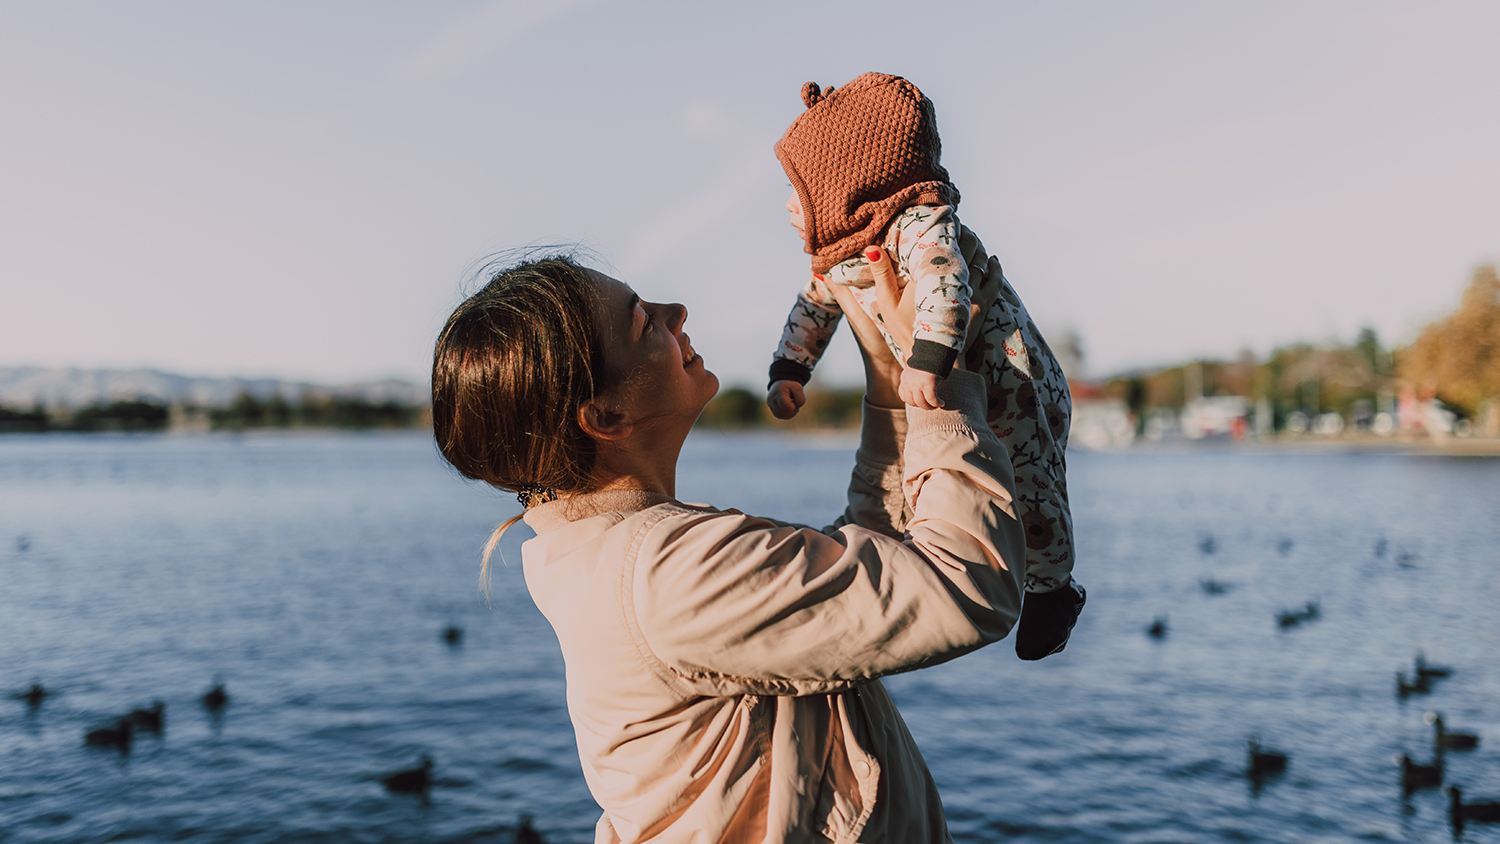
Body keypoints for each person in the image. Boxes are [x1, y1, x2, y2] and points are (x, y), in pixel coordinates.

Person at [431, 250, 1027, 843]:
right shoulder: (666, 569)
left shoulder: (615, 556)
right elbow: (966, 583)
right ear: (607, 417)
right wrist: (938, 380)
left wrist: (893, 374)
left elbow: (873, 562)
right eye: (643, 321)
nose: (676, 311)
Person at [766, 73, 1084, 658]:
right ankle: (940, 557)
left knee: (1033, 482)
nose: (789, 205)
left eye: (800, 189)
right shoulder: (838, 253)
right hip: (944, 389)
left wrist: (929, 356)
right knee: (949, 483)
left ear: (850, 185)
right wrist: (790, 367)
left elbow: (947, 278)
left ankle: (1052, 590)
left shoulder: (916, 224)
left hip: (1013, 381)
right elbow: (815, 305)